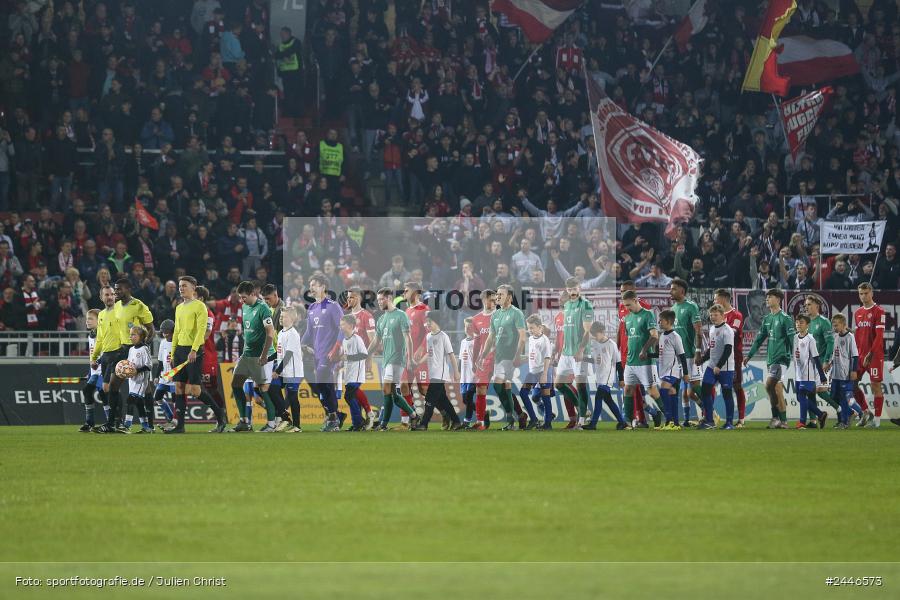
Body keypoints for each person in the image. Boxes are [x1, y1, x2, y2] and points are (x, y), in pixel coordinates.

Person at [167, 276, 225, 434]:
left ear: (193, 288)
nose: (181, 288)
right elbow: (177, 331)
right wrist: (173, 353)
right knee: (179, 387)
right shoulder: (179, 307)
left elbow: (201, 331)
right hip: (179, 350)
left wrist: (194, 350)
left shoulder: (200, 307)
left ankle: (219, 414)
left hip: (194, 351)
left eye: (184, 286)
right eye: (180, 286)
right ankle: (180, 426)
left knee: (194, 389)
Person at [228, 280, 278, 433]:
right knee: (236, 384)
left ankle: (271, 424)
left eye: (244, 297)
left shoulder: (263, 308)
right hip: (247, 354)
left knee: (263, 389)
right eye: (240, 298)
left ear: (252, 294)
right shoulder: (244, 307)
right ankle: (244, 421)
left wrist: (263, 356)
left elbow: (270, 333)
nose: (242, 300)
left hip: (262, 355)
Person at [368, 287, 419, 431]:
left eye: (381, 299)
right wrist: (366, 354)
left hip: (397, 359)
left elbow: (408, 338)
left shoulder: (401, 315)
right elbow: (376, 341)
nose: (379, 302)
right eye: (377, 300)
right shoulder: (381, 319)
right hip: (386, 360)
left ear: (389, 298)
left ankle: (384, 424)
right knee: (392, 393)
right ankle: (414, 416)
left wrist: (409, 358)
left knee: (387, 389)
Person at [477, 284, 527, 430]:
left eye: (501, 294)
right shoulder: (496, 315)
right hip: (498, 356)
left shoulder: (516, 313)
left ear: (509, 298)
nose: (497, 297)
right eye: (497, 294)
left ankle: (511, 420)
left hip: (510, 355)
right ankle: (517, 416)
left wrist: (517, 355)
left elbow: (523, 337)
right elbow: (490, 338)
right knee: (500, 387)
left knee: (503, 384)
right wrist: (483, 355)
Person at [744, 288, 794, 429]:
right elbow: (759, 339)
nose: (767, 299)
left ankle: (779, 419)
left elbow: (792, 340)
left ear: (778, 300)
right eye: (767, 297)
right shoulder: (767, 319)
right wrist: (749, 355)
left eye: (770, 297)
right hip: (771, 360)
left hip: (782, 359)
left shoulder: (785, 318)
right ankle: (778, 419)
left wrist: (791, 357)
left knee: (773, 386)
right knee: (773, 388)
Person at [301, 274, 345, 431]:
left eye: (315, 285)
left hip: (329, 354)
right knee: (324, 386)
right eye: (310, 285)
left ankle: (333, 417)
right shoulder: (312, 308)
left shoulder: (333, 306)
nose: (311, 288)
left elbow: (342, 329)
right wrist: (300, 344)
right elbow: (309, 331)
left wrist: (335, 349)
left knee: (322, 382)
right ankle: (335, 416)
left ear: (323, 287)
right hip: (317, 354)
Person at [554, 276, 594, 429]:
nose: (572, 291)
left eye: (575, 288)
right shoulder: (567, 306)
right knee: (558, 384)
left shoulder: (586, 305)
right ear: (567, 290)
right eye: (570, 289)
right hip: (566, 352)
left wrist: (581, 350)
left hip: (579, 352)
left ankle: (582, 419)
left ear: (580, 288)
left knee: (581, 385)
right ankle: (582, 408)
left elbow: (587, 331)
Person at [412, 312, 462, 431]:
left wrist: (456, 372)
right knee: (443, 400)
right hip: (433, 373)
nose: (427, 323)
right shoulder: (429, 336)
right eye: (427, 321)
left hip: (440, 373)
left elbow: (451, 355)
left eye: (430, 321)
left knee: (429, 398)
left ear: (436, 321)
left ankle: (424, 424)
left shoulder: (443, 336)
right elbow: (429, 354)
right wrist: (418, 363)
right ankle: (456, 421)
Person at [621, 290, 663, 427]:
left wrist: (644, 350)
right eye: (625, 306)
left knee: (652, 391)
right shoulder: (627, 318)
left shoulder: (648, 314)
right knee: (628, 389)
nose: (627, 308)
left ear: (635, 300)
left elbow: (654, 335)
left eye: (628, 305)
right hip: (630, 361)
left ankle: (669, 417)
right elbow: (630, 339)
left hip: (645, 362)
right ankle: (628, 422)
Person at [670, 278, 704, 427]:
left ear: (682, 291)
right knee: (684, 392)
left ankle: (709, 413)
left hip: (690, 355)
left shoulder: (691, 307)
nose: (671, 291)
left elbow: (699, 331)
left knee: (695, 387)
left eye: (674, 289)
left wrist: (698, 351)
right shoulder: (672, 309)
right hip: (678, 357)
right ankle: (685, 420)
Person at [803, 295, 840, 427]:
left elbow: (830, 342)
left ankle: (841, 410)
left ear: (817, 306)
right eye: (806, 305)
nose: (806, 307)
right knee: (809, 391)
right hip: (808, 364)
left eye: (809, 304)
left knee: (820, 391)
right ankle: (813, 421)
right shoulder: (806, 322)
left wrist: (826, 360)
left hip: (820, 362)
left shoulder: (823, 322)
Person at [853, 282, 885, 427]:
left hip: (874, 356)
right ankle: (866, 412)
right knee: (851, 383)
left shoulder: (879, 311)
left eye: (866, 293)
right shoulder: (857, 313)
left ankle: (877, 421)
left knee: (875, 385)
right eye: (861, 293)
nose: (864, 296)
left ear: (872, 293)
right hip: (860, 356)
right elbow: (858, 335)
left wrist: (871, 353)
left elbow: (879, 336)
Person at [699, 305, 736, 430]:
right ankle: (709, 420)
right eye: (711, 315)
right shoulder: (712, 329)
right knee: (705, 390)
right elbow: (712, 348)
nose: (713, 317)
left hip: (725, 368)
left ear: (722, 315)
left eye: (715, 315)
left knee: (727, 394)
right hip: (711, 367)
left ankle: (729, 422)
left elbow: (728, 350)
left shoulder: (728, 330)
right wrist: (703, 359)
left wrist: (719, 366)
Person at [88, 286, 120, 433]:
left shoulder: (120, 310)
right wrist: (94, 358)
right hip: (106, 354)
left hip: (118, 353)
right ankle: (116, 421)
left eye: (112, 294)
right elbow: (99, 339)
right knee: (107, 388)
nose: (110, 297)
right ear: (101, 297)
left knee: (112, 387)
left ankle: (113, 423)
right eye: (107, 295)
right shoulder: (101, 315)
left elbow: (131, 327)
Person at [586, 321, 627, 430]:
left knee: (598, 397)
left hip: (607, 377)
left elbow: (618, 363)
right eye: (593, 335)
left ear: (602, 332)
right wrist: (583, 358)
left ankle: (593, 424)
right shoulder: (594, 343)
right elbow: (595, 360)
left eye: (596, 334)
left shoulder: (611, 344)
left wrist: (621, 379)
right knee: (608, 400)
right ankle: (622, 422)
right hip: (599, 377)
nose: (594, 337)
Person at [716, 289, 748, 428]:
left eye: (716, 299)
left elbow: (732, 332)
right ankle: (709, 416)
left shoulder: (736, 315)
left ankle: (740, 419)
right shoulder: (717, 315)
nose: (714, 301)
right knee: (710, 385)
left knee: (736, 386)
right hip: (717, 357)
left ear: (723, 299)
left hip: (733, 357)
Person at [345, 287, 375, 426]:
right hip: (348, 359)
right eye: (348, 297)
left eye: (351, 297)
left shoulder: (366, 316)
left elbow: (372, 340)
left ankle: (367, 413)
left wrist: (369, 358)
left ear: (358, 298)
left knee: (352, 389)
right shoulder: (347, 316)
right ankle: (359, 420)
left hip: (360, 359)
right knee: (352, 390)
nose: (348, 300)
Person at [792, 315, 829, 429]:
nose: (798, 324)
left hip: (808, 374)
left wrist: (822, 376)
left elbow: (816, 358)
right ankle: (820, 414)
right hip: (798, 373)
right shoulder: (795, 337)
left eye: (801, 322)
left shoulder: (810, 339)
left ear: (808, 325)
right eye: (797, 322)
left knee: (802, 395)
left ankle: (802, 422)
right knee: (799, 398)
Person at [656, 310, 688, 430]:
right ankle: (676, 423)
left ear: (668, 321)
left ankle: (668, 420)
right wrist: (647, 355)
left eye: (661, 320)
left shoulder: (675, 336)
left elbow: (682, 356)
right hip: (664, 370)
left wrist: (685, 373)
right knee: (672, 393)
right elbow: (662, 354)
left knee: (664, 390)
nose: (659, 322)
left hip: (673, 370)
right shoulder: (663, 335)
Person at [274, 306, 304, 433]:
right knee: (272, 388)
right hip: (283, 370)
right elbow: (279, 353)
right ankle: (285, 417)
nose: (281, 318)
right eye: (281, 316)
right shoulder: (281, 333)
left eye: (284, 316)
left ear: (292, 318)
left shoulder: (293, 334)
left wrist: (277, 371)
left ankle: (297, 426)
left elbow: (288, 355)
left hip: (293, 371)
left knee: (292, 397)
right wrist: (267, 359)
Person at [520, 315, 553, 430]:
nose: (530, 330)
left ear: (540, 327)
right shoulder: (530, 339)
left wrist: (544, 374)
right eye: (528, 328)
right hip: (532, 372)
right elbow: (533, 355)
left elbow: (547, 357)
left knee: (545, 397)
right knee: (523, 393)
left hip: (543, 371)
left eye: (532, 327)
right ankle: (534, 420)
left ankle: (548, 424)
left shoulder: (545, 340)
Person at [828, 314, 860, 429]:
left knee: (842, 397)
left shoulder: (850, 337)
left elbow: (855, 356)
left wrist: (853, 370)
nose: (834, 327)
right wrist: (830, 366)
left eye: (836, 325)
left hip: (845, 373)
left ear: (843, 324)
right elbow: (834, 354)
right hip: (835, 372)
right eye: (833, 325)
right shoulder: (835, 336)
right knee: (833, 397)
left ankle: (844, 421)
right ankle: (849, 413)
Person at [79, 309, 108, 432]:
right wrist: (90, 372)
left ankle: (112, 421)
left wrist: (98, 362)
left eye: (91, 318)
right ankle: (89, 422)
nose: (87, 321)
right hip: (95, 371)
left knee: (103, 393)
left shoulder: (104, 334)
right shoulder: (90, 336)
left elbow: (106, 353)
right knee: (87, 391)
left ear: (99, 321)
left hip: (104, 370)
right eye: (87, 318)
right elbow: (92, 356)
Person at [470, 289, 496, 430]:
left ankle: (516, 415)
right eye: (489, 300)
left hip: (499, 357)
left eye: (494, 300)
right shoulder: (476, 319)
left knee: (503, 388)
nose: (492, 303)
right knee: (480, 389)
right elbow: (477, 342)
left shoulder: (499, 316)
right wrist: (475, 360)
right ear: (483, 300)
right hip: (484, 359)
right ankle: (480, 422)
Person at [122, 325, 154, 434]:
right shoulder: (131, 349)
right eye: (130, 335)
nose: (131, 337)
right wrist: (124, 370)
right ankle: (146, 427)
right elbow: (128, 364)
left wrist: (137, 371)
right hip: (132, 381)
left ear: (141, 336)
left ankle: (127, 425)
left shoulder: (144, 348)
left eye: (134, 334)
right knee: (139, 403)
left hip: (141, 381)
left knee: (130, 400)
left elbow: (149, 365)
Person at [152, 319, 177, 429]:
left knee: (176, 399)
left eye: (167, 331)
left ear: (172, 331)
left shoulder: (178, 342)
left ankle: (177, 421)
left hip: (175, 376)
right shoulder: (162, 342)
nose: (165, 333)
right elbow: (161, 361)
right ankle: (171, 417)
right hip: (165, 375)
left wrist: (176, 374)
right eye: (163, 331)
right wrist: (157, 375)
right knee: (157, 397)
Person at [458, 317, 477, 427]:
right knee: (465, 400)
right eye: (466, 326)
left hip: (472, 376)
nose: (468, 328)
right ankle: (483, 414)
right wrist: (459, 372)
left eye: (470, 326)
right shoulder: (463, 342)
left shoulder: (476, 341)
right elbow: (461, 358)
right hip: (464, 377)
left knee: (468, 398)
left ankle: (467, 421)